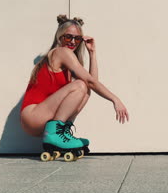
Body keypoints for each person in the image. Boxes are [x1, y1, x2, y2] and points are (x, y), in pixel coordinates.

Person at [20, 14, 129, 158]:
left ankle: (62, 133)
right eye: (68, 37)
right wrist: (115, 99)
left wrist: (92, 53)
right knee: (80, 85)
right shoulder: (61, 52)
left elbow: (91, 83)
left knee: (84, 88)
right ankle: (56, 134)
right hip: (33, 115)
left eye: (77, 39)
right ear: (60, 37)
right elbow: (90, 82)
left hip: (39, 116)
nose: (72, 42)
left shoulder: (68, 60)